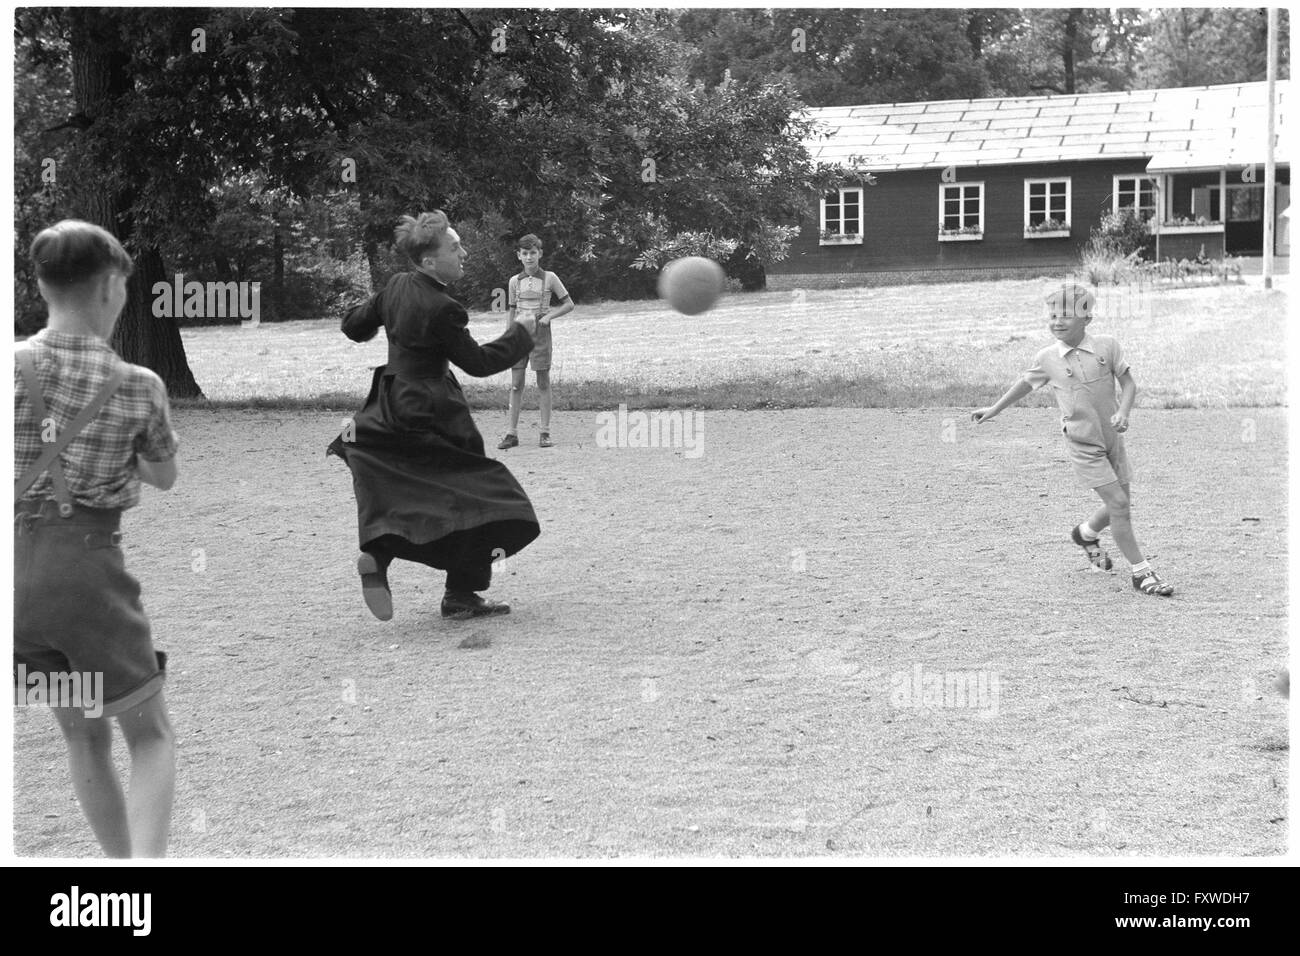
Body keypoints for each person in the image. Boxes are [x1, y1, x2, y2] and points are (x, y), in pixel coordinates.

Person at [14, 220, 179, 856]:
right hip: (86, 578)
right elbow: (163, 477)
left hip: (16, 593)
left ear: (40, 282)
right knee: (150, 736)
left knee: (82, 737)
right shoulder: (138, 384)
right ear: (112, 287)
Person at [328, 211, 541, 620]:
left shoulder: (396, 285)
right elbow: (477, 362)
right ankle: (461, 592)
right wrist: (521, 335)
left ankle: (378, 552)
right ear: (428, 261)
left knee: (405, 486)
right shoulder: (444, 307)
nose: (464, 252)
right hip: (433, 406)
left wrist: (380, 314)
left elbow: (354, 326)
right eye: (455, 247)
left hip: (388, 403)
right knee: (484, 494)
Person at [971, 281, 1174, 596]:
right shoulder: (1047, 358)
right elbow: (1025, 385)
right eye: (1052, 315)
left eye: (1065, 314)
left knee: (1120, 504)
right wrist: (995, 409)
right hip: (1083, 443)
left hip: (1112, 440)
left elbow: (1129, 384)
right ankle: (1142, 572)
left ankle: (1086, 534)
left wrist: (1124, 412)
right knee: (1119, 504)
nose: (1057, 321)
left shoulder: (1108, 346)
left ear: (1087, 319)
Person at [497, 233, 573, 449]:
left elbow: (569, 304)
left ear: (539, 254)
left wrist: (549, 317)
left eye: (533, 253)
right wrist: (507, 336)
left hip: (540, 331)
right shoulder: (514, 281)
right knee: (515, 384)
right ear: (519, 256)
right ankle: (511, 434)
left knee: (542, 382)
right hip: (519, 332)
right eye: (525, 253)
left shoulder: (550, 278)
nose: (529, 257)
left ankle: (545, 432)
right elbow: (511, 310)